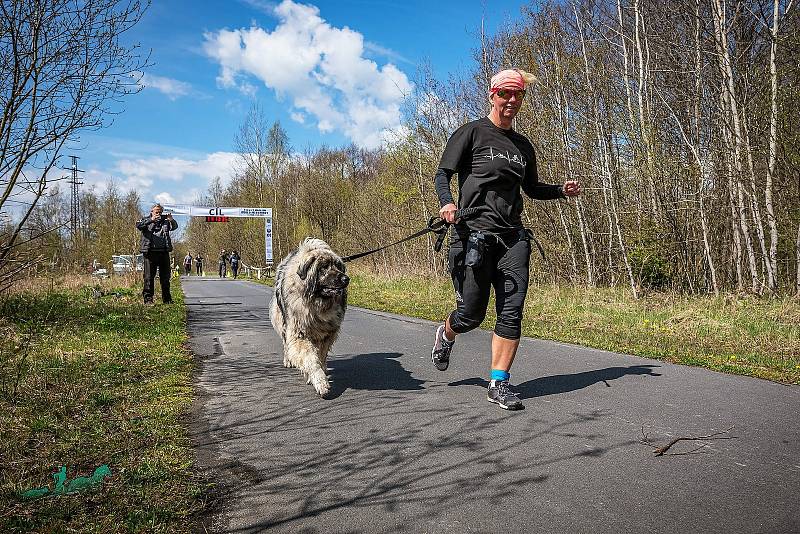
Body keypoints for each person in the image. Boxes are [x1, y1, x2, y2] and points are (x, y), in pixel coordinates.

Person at [430, 68, 582, 410]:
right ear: (492, 95)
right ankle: (447, 333)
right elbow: (443, 174)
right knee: (471, 315)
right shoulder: (471, 133)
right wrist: (447, 203)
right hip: (473, 236)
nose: (511, 101)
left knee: (511, 312)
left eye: (518, 95)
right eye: (505, 94)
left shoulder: (522, 145)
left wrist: (560, 190)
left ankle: (499, 383)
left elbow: (530, 188)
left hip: (513, 239)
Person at [136, 203, 178, 304]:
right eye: (156, 212)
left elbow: (175, 227)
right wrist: (151, 220)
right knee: (148, 278)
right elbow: (139, 226)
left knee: (165, 278)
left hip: (163, 252)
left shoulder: (165, 221)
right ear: (152, 212)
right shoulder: (145, 219)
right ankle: (148, 300)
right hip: (150, 252)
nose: (158, 214)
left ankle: (167, 300)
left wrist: (171, 220)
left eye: (160, 212)